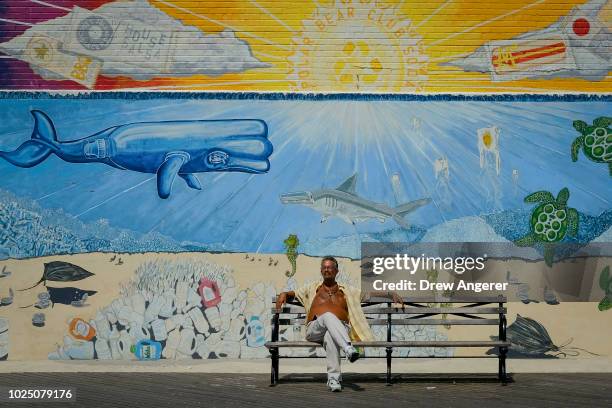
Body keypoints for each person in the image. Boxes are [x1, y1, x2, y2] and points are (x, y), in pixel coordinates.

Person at [275, 256, 404, 392]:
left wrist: (389, 294)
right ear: (321, 271)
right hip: (314, 329)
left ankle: (334, 379)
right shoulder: (312, 288)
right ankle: (348, 348)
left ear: (337, 271)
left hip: (341, 329)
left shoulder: (347, 290)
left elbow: (368, 295)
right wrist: (284, 293)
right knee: (328, 316)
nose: (326, 270)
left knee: (331, 337)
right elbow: (294, 293)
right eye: (324, 267)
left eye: (330, 267)